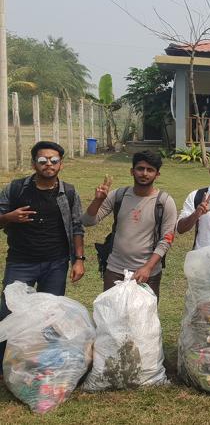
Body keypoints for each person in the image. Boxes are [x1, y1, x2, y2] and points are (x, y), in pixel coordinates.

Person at [0, 141, 85, 370]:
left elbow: (77, 227)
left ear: (61, 165)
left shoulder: (68, 192)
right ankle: (5, 364)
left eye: (54, 160)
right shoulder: (16, 189)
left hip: (55, 264)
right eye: (43, 160)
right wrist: (9, 217)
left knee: (51, 315)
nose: (48, 164)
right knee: (9, 312)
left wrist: (78, 260)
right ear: (33, 163)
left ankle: (46, 362)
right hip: (20, 262)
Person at [82, 150, 177, 299]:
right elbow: (88, 221)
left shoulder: (164, 201)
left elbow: (167, 239)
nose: (144, 173)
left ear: (157, 174)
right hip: (115, 270)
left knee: (143, 320)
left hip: (147, 273)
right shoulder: (118, 195)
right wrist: (98, 200)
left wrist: (148, 267)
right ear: (132, 171)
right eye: (140, 169)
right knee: (112, 317)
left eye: (150, 170)